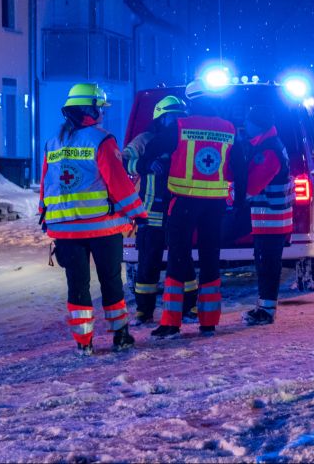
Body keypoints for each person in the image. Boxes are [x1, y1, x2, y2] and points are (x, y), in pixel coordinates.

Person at [39, 83, 147, 355]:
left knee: (77, 285)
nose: (102, 112)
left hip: (64, 229)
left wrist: (45, 215)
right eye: (99, 107)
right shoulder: (101, 139)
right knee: (110, 281)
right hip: (102, 227)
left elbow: (45, 184)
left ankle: (83, 342)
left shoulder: (53, 142)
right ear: (90, 109)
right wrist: (137, 213)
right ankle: (120, 336)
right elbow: (118, 182)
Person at [151, 79, 246, 338]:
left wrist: (153, 163)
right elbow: (240, 166)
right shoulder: (229, 129)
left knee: (178, 259)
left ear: (191, 101)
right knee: (210, 259)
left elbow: (152, 147)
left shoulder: (181, 126)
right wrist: (239, 203)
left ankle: (171, 322)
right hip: (215, 206)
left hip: (183, 203)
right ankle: (208, 321)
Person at [122, 95, 190, 325]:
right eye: (173, 117)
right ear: (160, 118)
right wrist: (144, 165)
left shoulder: (186, 139)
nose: (177, 121)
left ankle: (187, 309)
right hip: (151, 211)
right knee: (147, 263)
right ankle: (144, 311)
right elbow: (123, 161)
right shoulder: (145, 140)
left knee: (182, 261)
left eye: (181, 117)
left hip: (179, 210)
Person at [240, 105, 294, 326]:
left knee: (267, 266)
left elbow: (252, 186)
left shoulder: (268, 150)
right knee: (266, 265)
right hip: (272, 221)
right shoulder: (270, 145)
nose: (245, 126)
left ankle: (267, 312)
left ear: (258, 125)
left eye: (249, 122)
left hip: (271, 222)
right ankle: (264, 308)